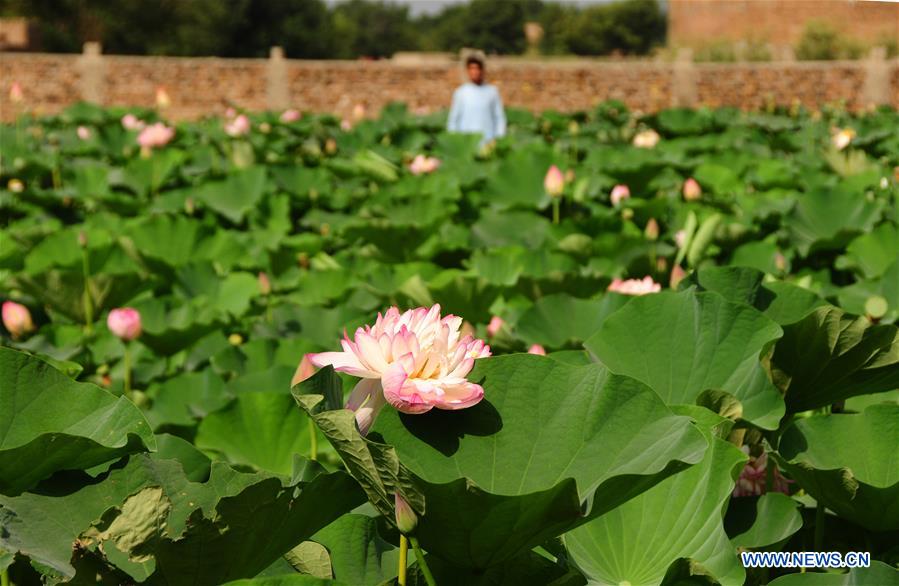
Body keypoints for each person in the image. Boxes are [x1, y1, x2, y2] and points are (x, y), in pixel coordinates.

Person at [447, 55, 506, 145]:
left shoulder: (492, 92)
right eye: (472, 69)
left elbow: (499, 117)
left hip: (488, 142)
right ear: (467, 71)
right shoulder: (461, 92)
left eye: (477, 68)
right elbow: (454, 120)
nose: (475, 72)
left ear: (482, 70)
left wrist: (498, 138)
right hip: (466, 142)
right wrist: (454, 140)